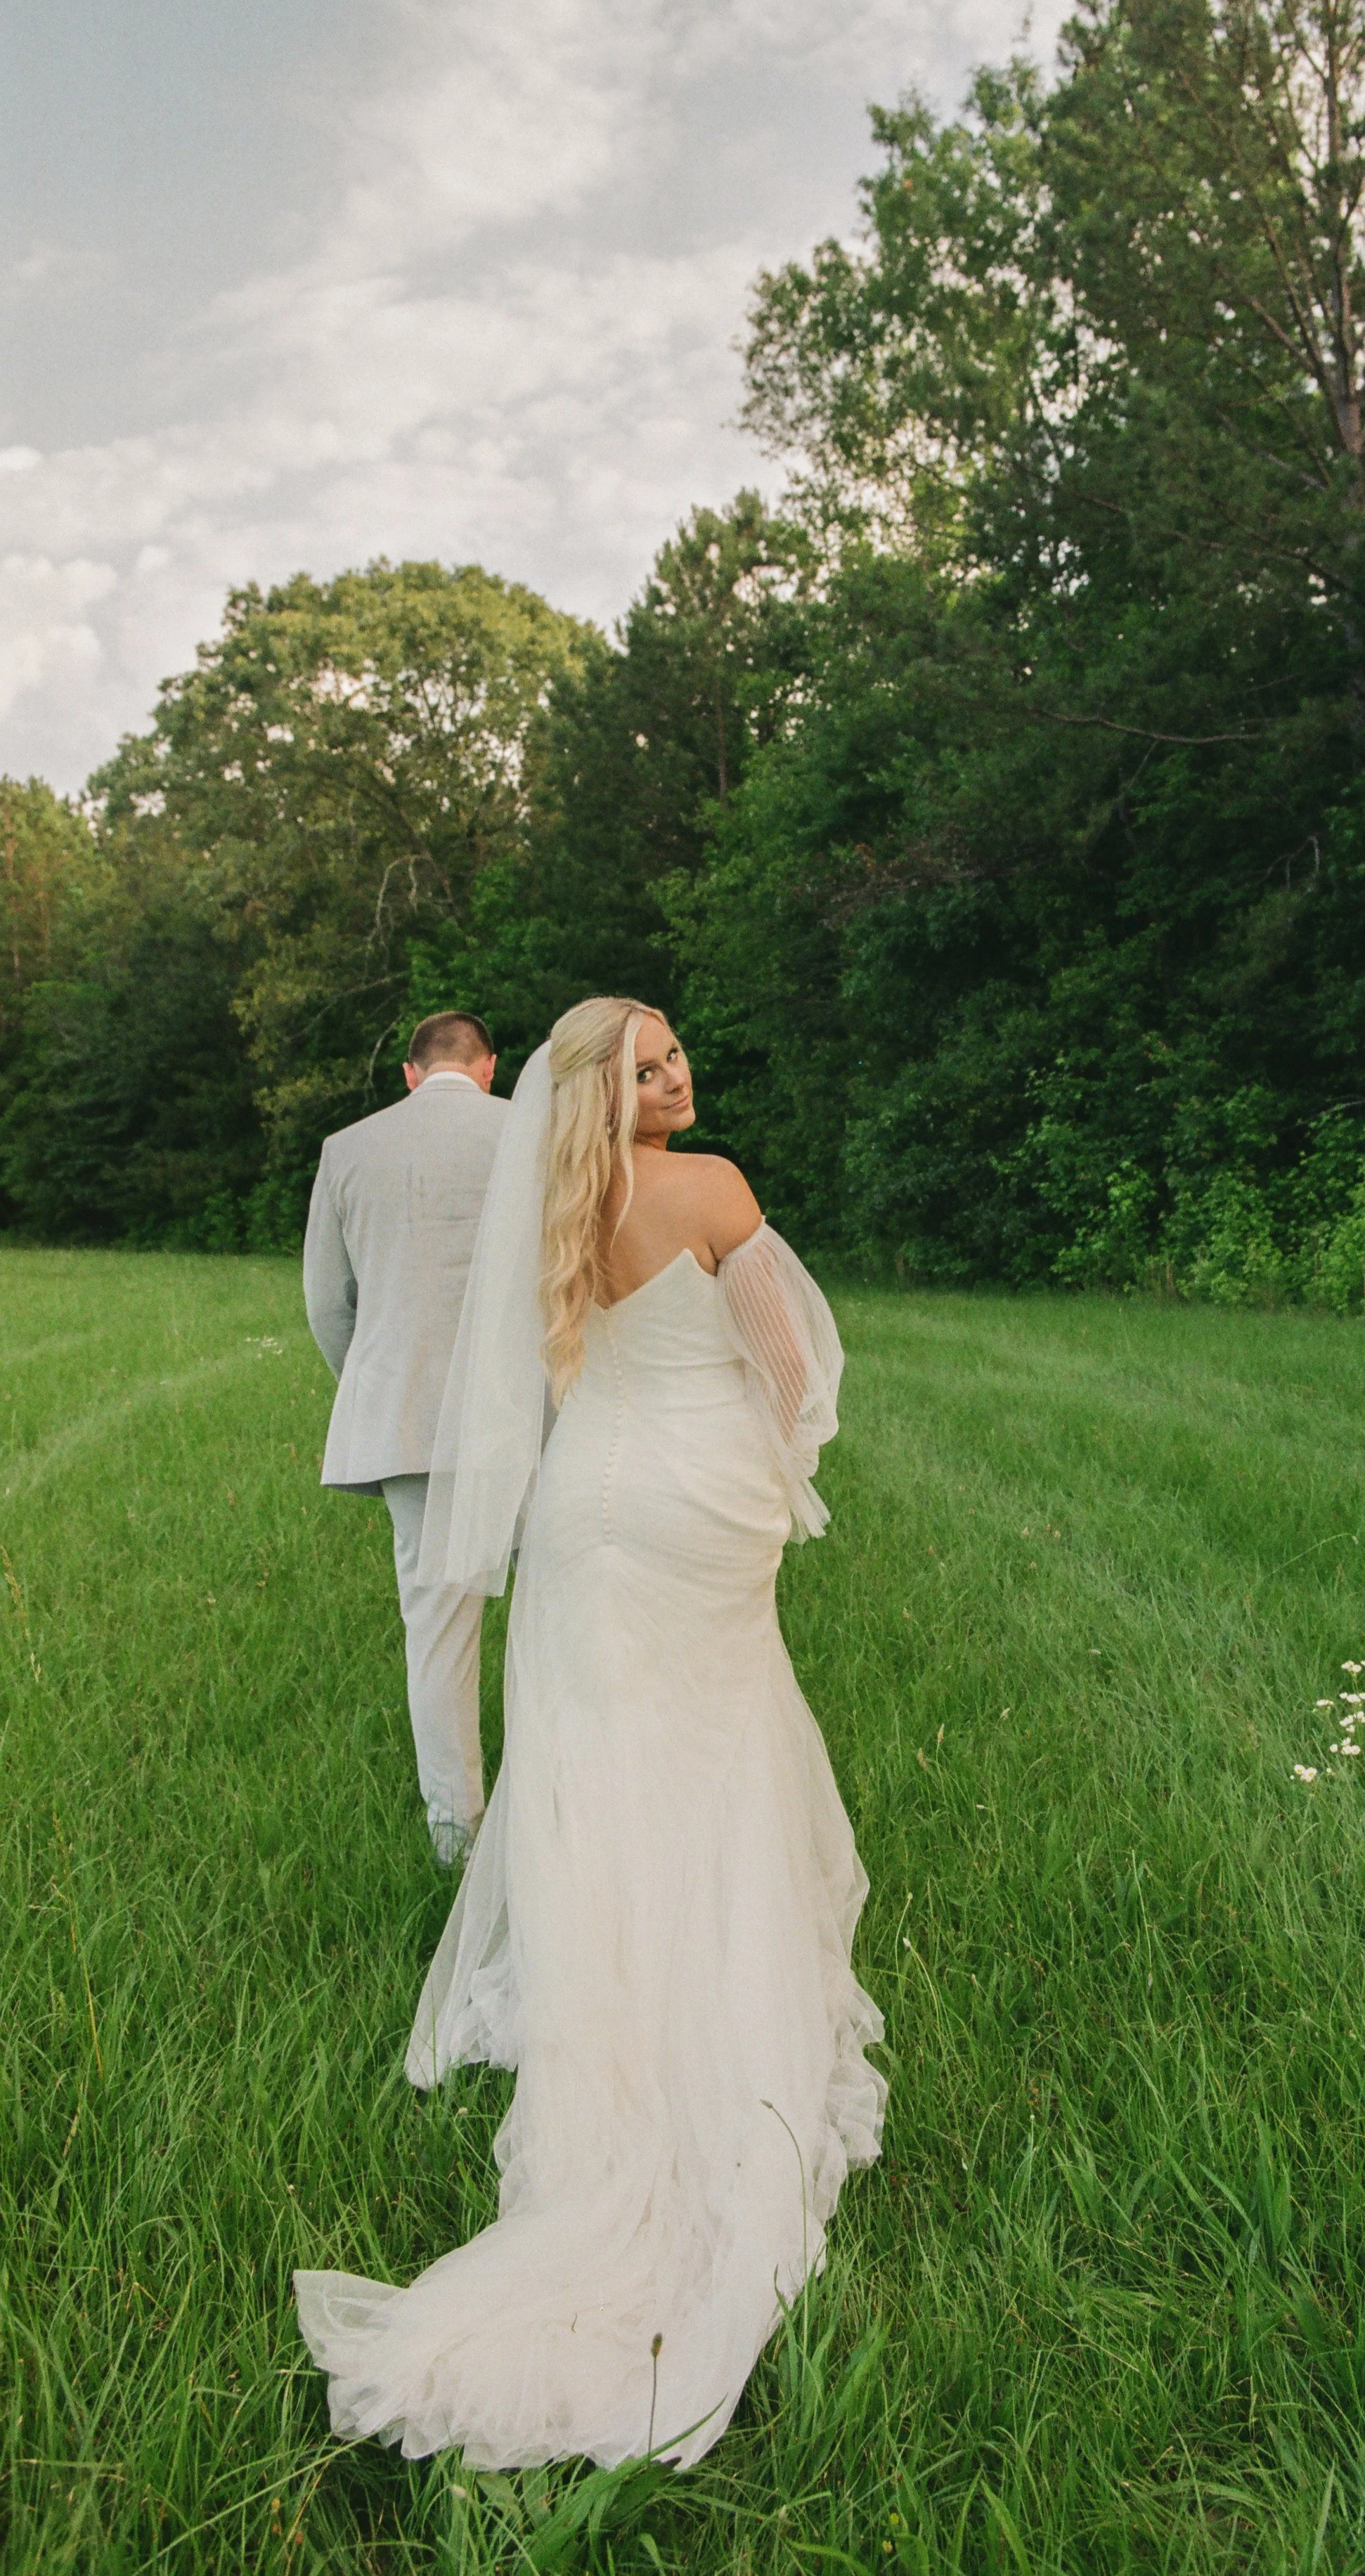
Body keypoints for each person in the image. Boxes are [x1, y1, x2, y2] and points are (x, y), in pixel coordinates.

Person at [295, 998, 884, 2470]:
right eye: (647, 1065)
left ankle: (597, 2003)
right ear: (606, 1090)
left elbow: (549, 1380)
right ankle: (716, 2005)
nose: (676, 1074)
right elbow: (793, 1371)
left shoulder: (556, 1201)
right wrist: (774, 1474)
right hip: (691, 1509)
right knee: (710, 1760)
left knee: (584, 1774)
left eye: (676, 1052)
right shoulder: (715, 1187)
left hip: (580, 1516)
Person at [302, 1011, 509, 1863]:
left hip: (409, 1420)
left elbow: (326, 1303)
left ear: (410, 1072)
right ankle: (566, 1811)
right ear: (490, 1067)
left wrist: (380, 1383)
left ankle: (456, 1838)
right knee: (554, 1613)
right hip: (528, 1416)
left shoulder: (348, 1148)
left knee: (438, 1635)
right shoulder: (525, 1132)